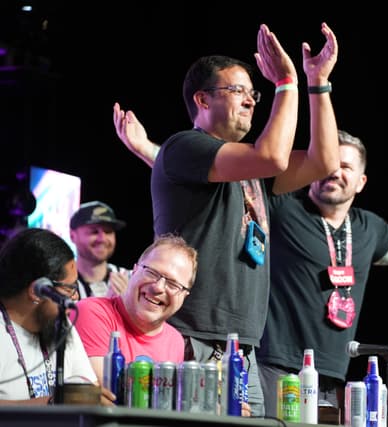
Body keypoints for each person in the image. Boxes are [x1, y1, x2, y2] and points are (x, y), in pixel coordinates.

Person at [113, 126, 388, 416]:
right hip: (275, 365)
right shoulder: (281, 209)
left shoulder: (368, 228)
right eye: (329, 164)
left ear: (361, 181)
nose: (335, 172)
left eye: (347, 167)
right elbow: (220, 184)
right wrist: (150, 150)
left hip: (333, 372)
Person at [112, 22, 340, 416]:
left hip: (243, 349)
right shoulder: (185, 147)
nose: (251, 101)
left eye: (255, 93)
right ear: (202, 100)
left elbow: (324, 161)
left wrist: (317, 84)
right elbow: (273, 156)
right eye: (238, 91)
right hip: (193, 339)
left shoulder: (246, 169)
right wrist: (286, 83)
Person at [72, 234, 197, 396]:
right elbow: (106, 398)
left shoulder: (175, 341)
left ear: (184, 296)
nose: (158, 287)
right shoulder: (91, 312)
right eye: (152, 273)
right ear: (135, 270)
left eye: (173, 284)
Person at [0, 228, 112, 405]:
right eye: (69, 289)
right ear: (36, 291)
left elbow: (87, 389)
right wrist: (54, 403)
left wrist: (91, 398)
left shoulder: (61, 323)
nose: (75, 297)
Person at [69, 201, 130, 299]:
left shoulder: (129, 279)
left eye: (108, 231)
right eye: (94, 231)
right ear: (73, 236)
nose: (102, 239)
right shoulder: (60, 284)